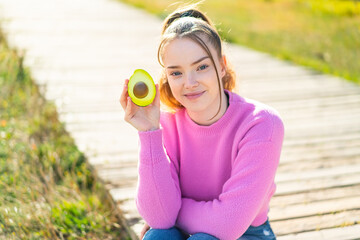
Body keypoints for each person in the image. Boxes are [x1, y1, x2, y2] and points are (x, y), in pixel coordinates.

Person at [119, 3, 284, 240]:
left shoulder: (261, 124)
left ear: (221, 66)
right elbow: (160, 220)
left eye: (202, 67)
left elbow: (228, 224)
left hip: (247, 234)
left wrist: (176, 211)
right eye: (176, 72)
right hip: (187, 231)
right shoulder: (165, 125)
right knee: (158, 236)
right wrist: (149, 132)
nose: (190, 82)